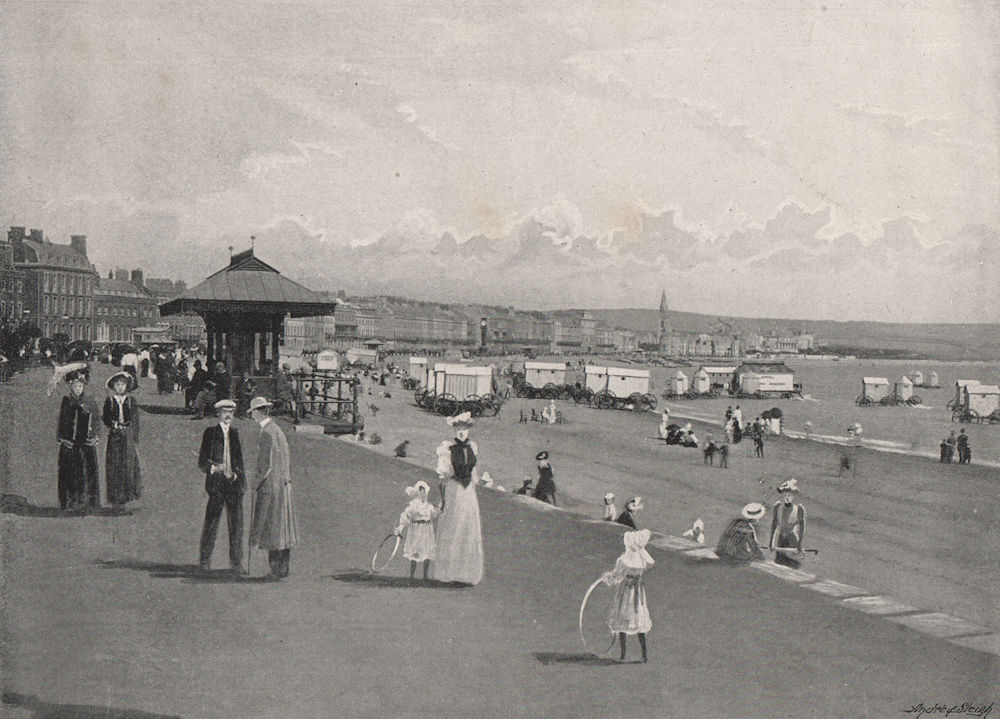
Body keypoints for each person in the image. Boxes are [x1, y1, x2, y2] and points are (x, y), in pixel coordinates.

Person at [248, 397, 300, 580]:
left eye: (253, 412)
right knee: (284, 529)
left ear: (258, 412)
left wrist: (254, 484)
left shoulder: (266, 433)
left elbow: (265, 465)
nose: (252, 416)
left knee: (272, 528)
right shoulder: (277, 430)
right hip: (284, 485)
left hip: (271, 486)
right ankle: (283, 569)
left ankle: (274, 571)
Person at [434, 412, 484, 585]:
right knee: (453, 527)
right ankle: (450, 572)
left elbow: (474, 473)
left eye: (464, 429)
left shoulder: (473, 447)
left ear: (469, 430)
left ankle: (467, 574)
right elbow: (442, 477)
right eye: (458, 429)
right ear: (454, 430)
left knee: (468, 528)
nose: (461, 432)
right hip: (454, 490)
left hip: (468, 492)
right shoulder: (447, 449)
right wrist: (442, 499)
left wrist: (475, 482)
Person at [197, 399, 246, 574]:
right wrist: (215, 468)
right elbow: (202, 461)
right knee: (211, 523)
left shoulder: (235, 433)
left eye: (231, 413)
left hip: (233, 485)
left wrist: (237, 477)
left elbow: (239, 461)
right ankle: (204, 561)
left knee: (236, 525)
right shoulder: (210, 433)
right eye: (225, 412)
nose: (228, 416)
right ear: (218, 414)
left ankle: (236, 563)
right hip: (216, 485)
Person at [51, 363, 101, 510]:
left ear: (84, 387)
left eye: (80, 386)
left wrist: (95, 436)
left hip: (85, 443)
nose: (77, 389)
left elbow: (97, 420)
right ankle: (69, 502)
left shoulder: (90, 401)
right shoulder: (67, 401)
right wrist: (62, 438)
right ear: (70, 387)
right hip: (70, 443)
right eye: (74, 386)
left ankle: (88, 502)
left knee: (87, 471)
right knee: (69, 472)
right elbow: (62, 421)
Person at [602, 529, 655, 663]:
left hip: (626, 592)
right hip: (638, 593)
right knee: (639, 620)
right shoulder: (642, 559)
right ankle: (644, 655)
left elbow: (616, 576)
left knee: (623, 619)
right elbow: (647, 567)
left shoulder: (624, 561)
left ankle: (623, 655)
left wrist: (606, 578)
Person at [102, 371, 142, 507]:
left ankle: (128, 496)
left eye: (122, 385)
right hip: (114, 435)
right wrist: (113, 424)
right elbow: (105, 417)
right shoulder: (110, 401)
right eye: (117, 385)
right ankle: (115, 497)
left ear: (127, 387)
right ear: (113, 386)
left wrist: (134, 437)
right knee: (115, 465)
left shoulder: (131, 401)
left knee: (128, 464)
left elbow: (135, 420)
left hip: (127, 435)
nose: (120, 387)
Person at [394, 480, 440, 582]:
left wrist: (440, 508)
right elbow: (405, 518)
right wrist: (400, 528)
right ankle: (411, 575)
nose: (423, 494)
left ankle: (425, 576)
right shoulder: (413, 506)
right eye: (420, 492)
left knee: (427, 552)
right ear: (417, 493)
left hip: (427, 531)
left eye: (424, 492)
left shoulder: (429, 506)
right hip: (416, 531)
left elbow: (434, 514)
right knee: (415, 552)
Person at [769, 479, 806, 568]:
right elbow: (774, 525)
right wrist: (771, 542)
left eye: (789, 495)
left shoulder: (798, 509)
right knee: (779, 562)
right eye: (785, 495)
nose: (787, 497)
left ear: (793, 496)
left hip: (791, 538)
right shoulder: (778, 507)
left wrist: (799, 544)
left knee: (794, 563)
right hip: (781, 538)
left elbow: (801, 527)